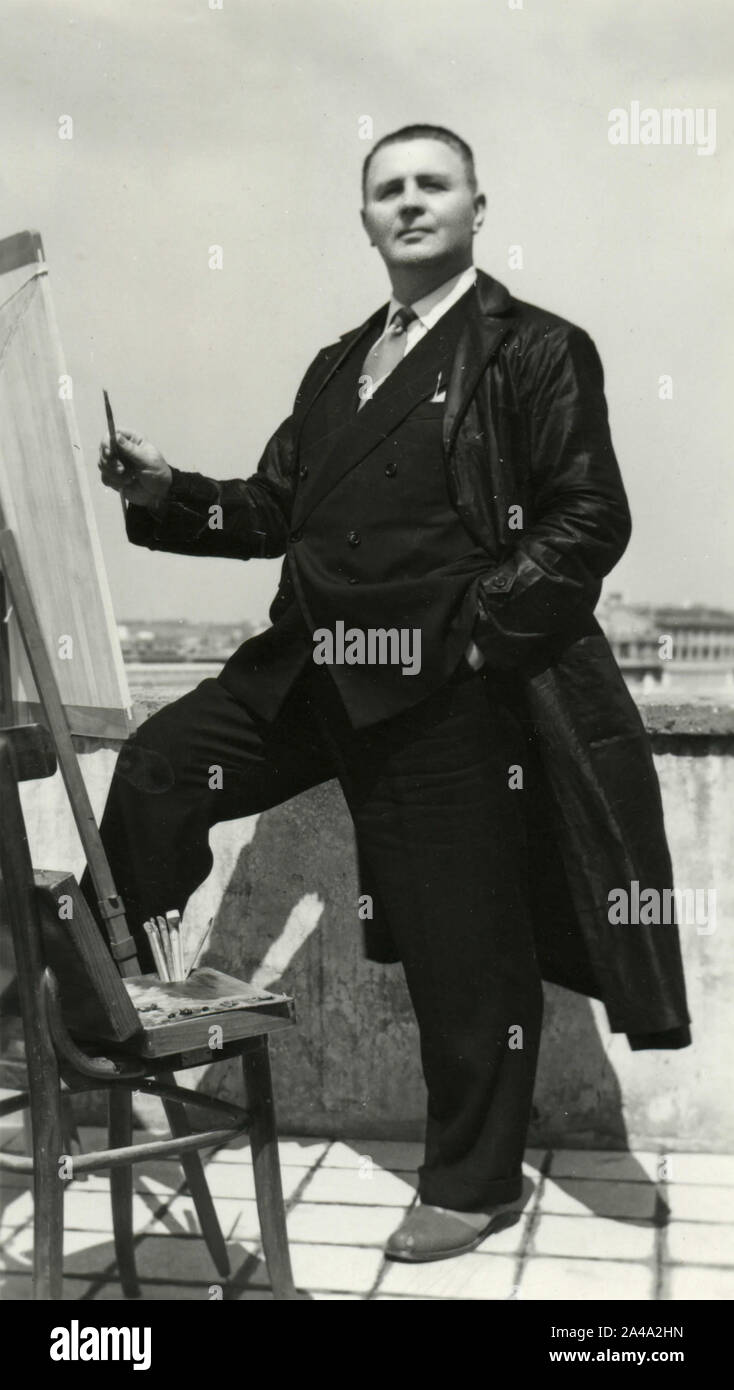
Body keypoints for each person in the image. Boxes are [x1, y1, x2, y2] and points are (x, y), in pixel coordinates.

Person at [84, 124, 690, 1264]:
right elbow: (271, 510)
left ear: (474, 206)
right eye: (387, 189)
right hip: (311, 668)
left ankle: (473, 1183)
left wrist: (471, 646)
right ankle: (111, 1005)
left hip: (441, 693)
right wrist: (167, 492)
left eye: (432, 185)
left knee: (465, 949)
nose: (409, 204)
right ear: (364, 217)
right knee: (161, 763)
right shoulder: (338, 363)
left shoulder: (536, 349)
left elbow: (586, 518)